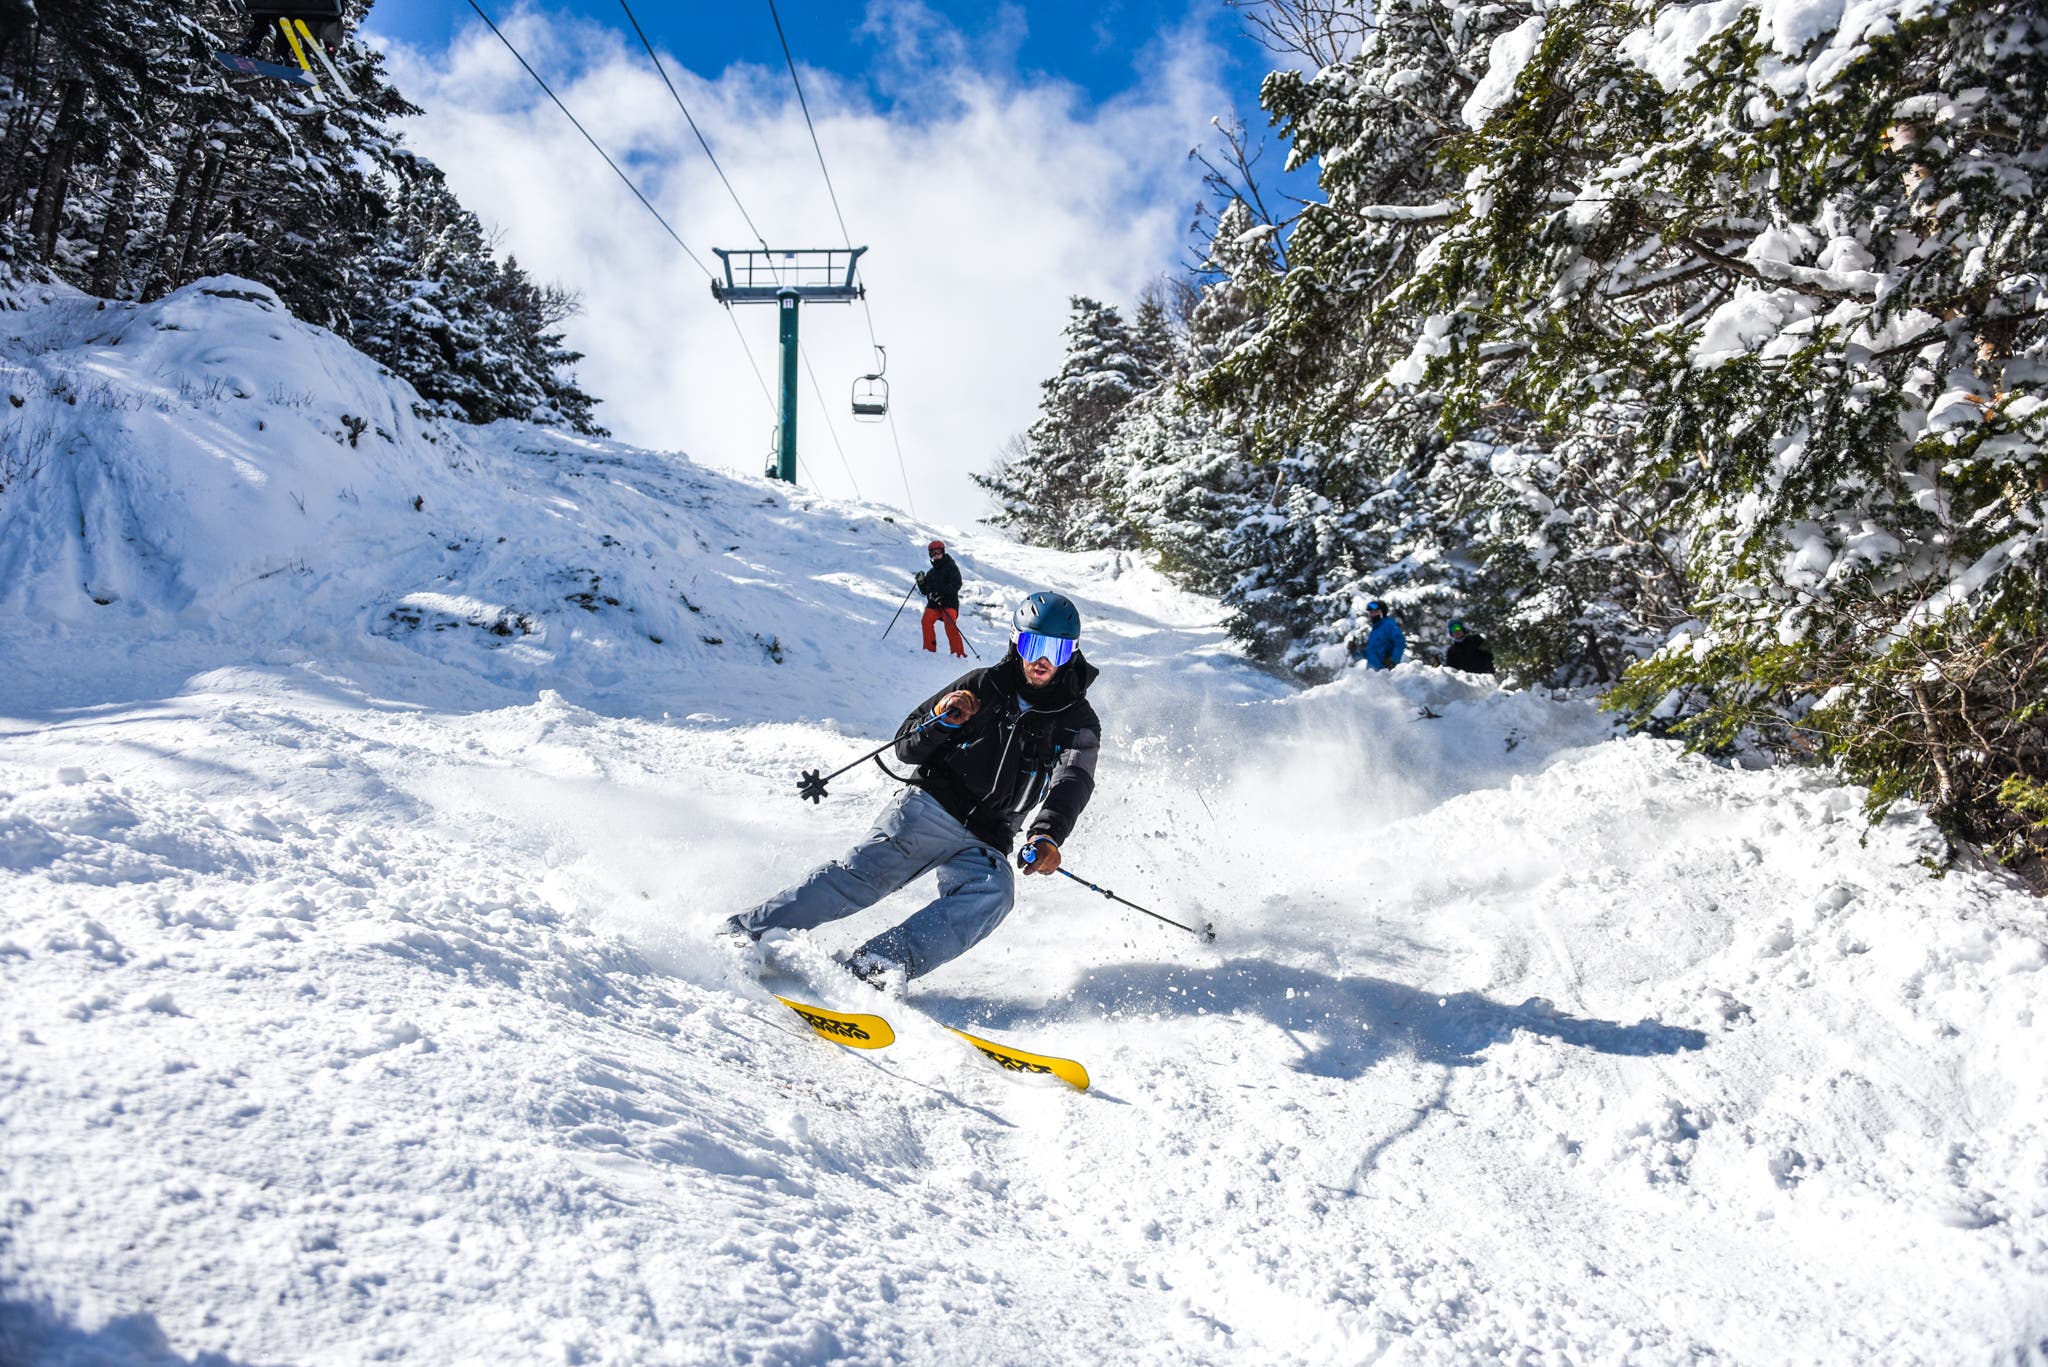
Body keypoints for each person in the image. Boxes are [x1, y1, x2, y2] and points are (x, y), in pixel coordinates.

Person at [725, 591, 1101, 985]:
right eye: (1032, 644)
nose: (1041, 660)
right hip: (931, 806)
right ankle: (745, 933)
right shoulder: (983, 684)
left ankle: (873, 968)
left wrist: (1047, 835)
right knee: (862, 879)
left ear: (1071, 654)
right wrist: (943, 720)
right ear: (1015, 641)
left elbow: (1073, 779)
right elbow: (905, 745)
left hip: (990, 836)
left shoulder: (1077, 720)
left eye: (1055, 651)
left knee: (993, 894)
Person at [915, 539, 967, 658]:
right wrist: (921, 582)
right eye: (933, 553)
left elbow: (956, 584)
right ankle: (929, 650)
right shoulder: (931, 572)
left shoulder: (951, 567)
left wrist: (941, 594)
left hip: (949, 603)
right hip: (934, 605)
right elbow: (925, 591)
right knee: (926, 621)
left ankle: (959, 654)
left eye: (938, 552)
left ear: (943, 552)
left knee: (950, 624)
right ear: (930, 555)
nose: (936, 555)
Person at [1358, 599, 1405, 670]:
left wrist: (1393, 659)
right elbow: (1370, 653)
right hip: (1372, 673)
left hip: (1385, 672)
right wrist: (1356, 650)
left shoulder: (1388, 625)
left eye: (1376, 612)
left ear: (1382, 612)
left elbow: (1400, 642)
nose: (1373, 615)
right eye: (1371, 612)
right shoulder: (1375, 630)